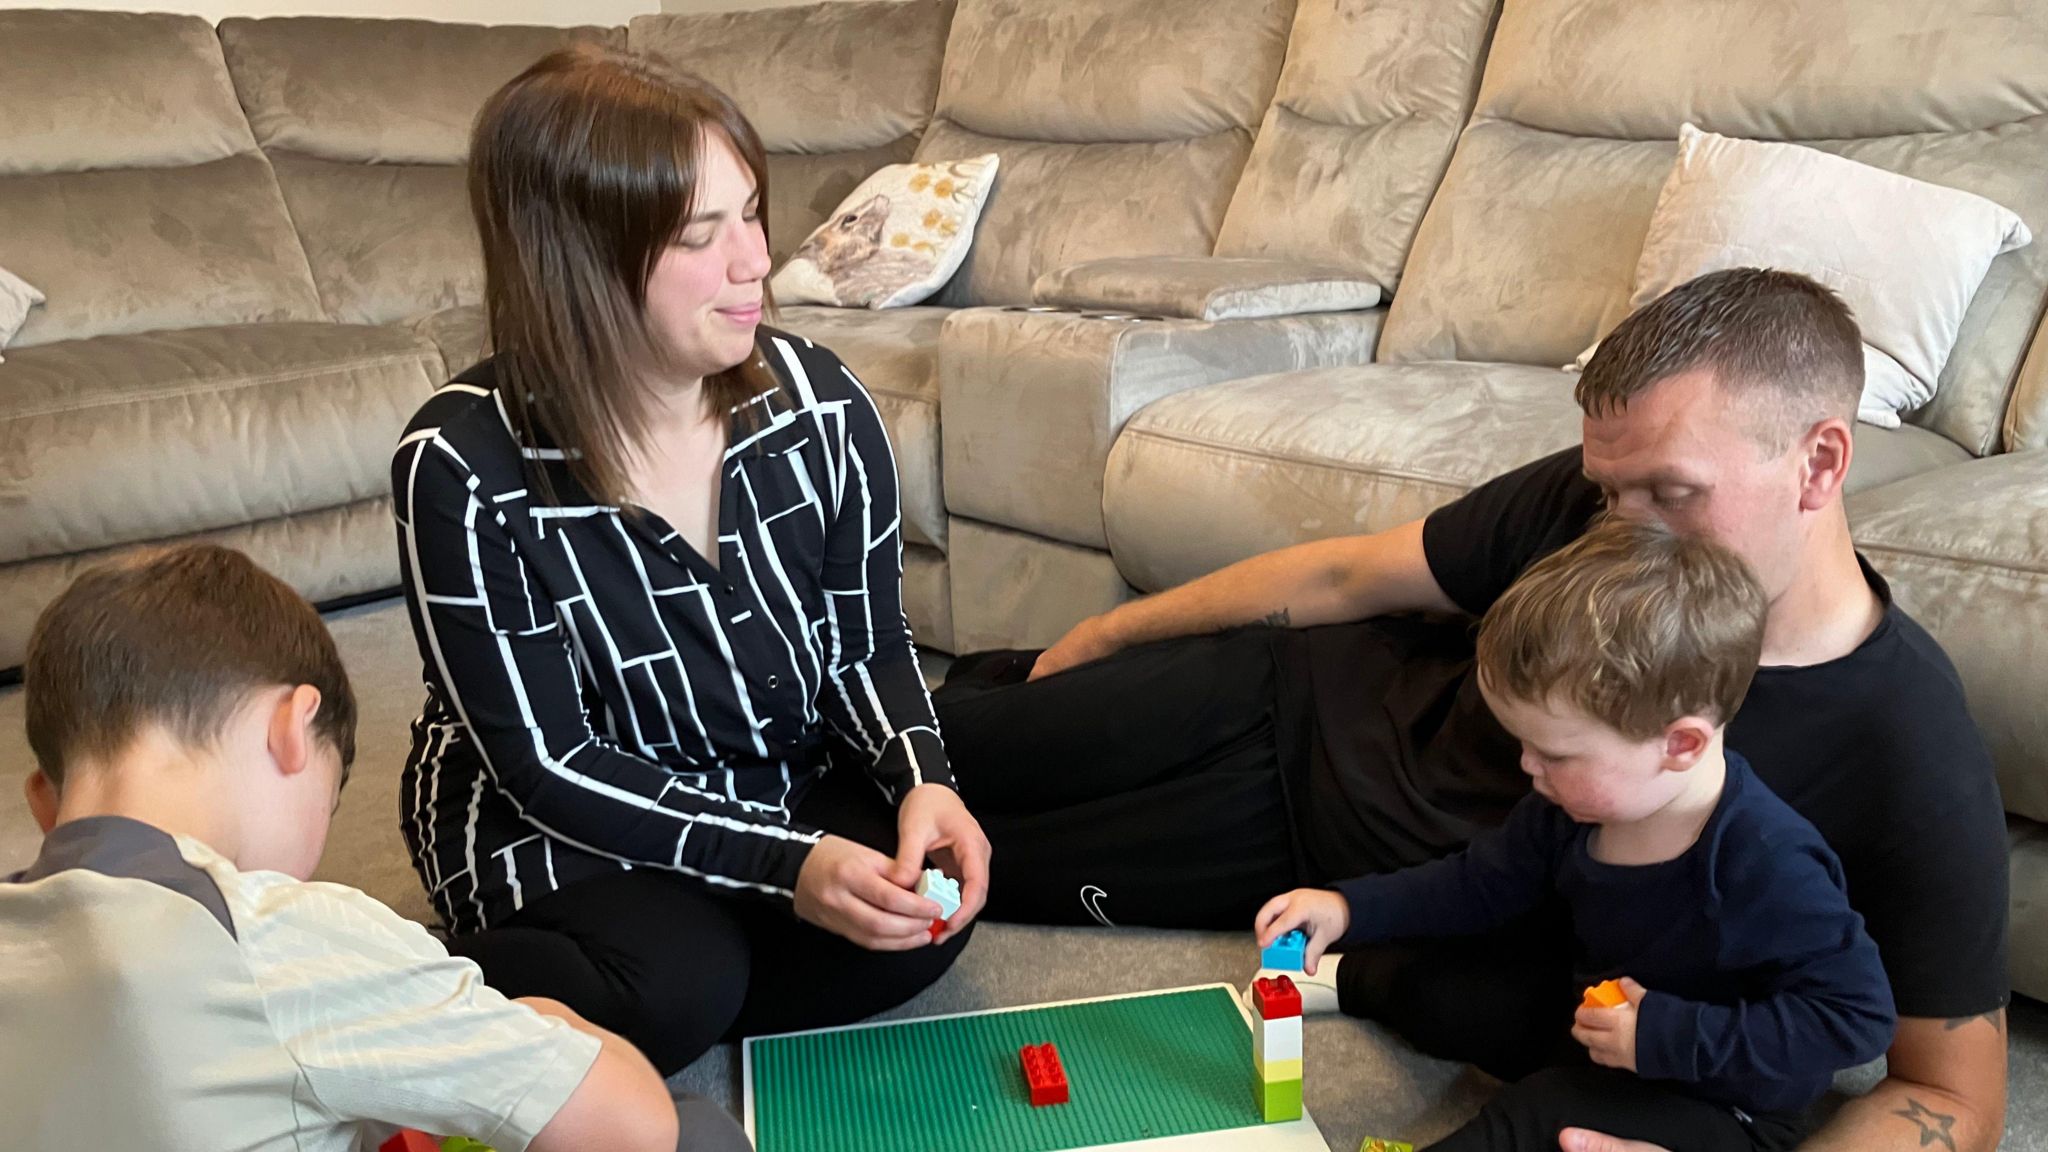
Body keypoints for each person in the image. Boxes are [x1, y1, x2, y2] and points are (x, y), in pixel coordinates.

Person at [935, 269, 2009, 1152]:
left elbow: (1952, 1098)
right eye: (1606, 491)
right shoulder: (1604, 497)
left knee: (948, 872)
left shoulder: (1903, 747)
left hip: (1297, 865)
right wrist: (1104, 636)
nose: (1614, 531)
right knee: (950, 745)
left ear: (1817, 460)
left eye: (1669, 495)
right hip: (1298, 705)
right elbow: (1347, 580)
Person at [392, 46, 990, 1078]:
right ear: (572, 259)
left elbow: (864, 639)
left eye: (751, 214)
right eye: (699, 236)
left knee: (912, 906)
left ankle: (711, 953)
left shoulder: (820, 401)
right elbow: (549, 762)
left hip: (759, 769)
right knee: (674, 987)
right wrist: (785, 864)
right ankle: (455, 984)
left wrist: (918, 775)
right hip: (547, 815)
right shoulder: (460, 465)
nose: (755, 261)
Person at [0, 543, 748, 1152]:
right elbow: (631, 1129)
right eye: (328, 798)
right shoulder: (285, 935)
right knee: (694, 1130)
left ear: (44, 802)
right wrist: (558, 1026)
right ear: (293, 730)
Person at [1258, 519, 1895, 1151]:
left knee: (1544, 1114)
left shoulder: (1767, 864)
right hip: (1597, 1022)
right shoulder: (1570, 809)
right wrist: (1348, 906)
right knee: (1452, 987)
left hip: (1721, 1102)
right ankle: (1342, 981)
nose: (1528, 768)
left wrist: (1666, 1036)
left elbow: (1856, 1019)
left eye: (1554, 754)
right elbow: (1476, 886)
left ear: (1680, 744)